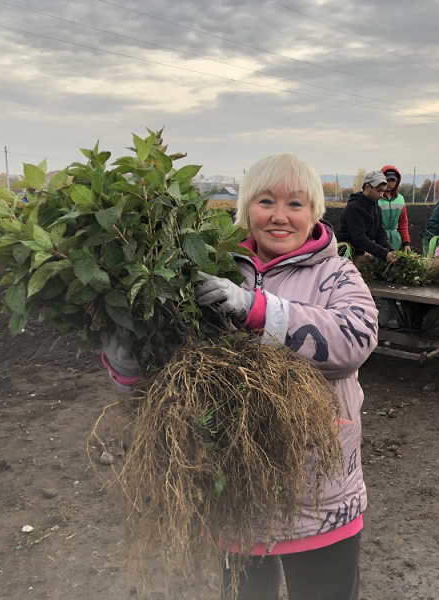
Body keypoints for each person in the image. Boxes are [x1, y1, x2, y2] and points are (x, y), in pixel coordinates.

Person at [103, 154, 378, 600]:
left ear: (314, 213)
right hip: (235, 493)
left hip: (319, 495)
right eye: (265, 201)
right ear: (245, 209)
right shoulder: (211, 270)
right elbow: (179, 376)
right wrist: (129, 367)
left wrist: (256, 309)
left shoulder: (335, 274)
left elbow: (355, 341)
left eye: (295, 203)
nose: (279, 216)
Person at [336, 171, 396, 263]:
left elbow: (380, 232)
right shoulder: (354, 208)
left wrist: (390, 250)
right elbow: (359, 238)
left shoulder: (376, 208)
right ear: (367, 187)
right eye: (379, 191)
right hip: (346, 256)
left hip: (360, 253)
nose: (381, 195)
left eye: (383, 191)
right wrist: (384, 254)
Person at [378, 165, 412, 251]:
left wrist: (406, 243)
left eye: (393, 180)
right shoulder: (376, 198)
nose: (390, 183)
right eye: (387, 180)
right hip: (378, 241)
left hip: (395, 241)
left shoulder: (400, 199)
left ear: (397, 181)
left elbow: (403, 223)